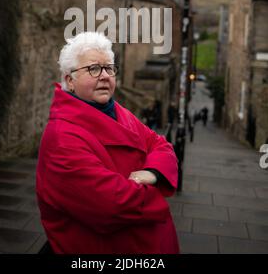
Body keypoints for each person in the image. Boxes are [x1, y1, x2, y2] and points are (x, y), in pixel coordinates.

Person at [36, 32, 179, 254]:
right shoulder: (62, 138)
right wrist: (157, 191)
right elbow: (112, 206)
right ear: (69, 81)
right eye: (93, 69)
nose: (105, 76)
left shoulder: (118, 111)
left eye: (109, 68)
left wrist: (152, 174)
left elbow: (161, 145)